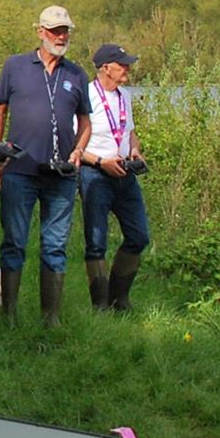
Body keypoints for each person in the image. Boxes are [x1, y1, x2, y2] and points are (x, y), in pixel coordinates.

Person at [0, 5, 91, 328]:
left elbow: (85, 121)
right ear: (40, 32)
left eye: (65, 31)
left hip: (61, 175)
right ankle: (8, 317)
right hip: (19, 170)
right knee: (14, 241)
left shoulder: (76, 74)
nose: (61, 37)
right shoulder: (16, 66)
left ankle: (52, 319)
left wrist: (79, 150)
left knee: (56, 246)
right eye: (55, 31)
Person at [79, 44, 150, 310]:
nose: (128, 68)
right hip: (94, 173)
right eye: (123, 64)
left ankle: (120, 298)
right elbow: (73, 145)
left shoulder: (125, 96)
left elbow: (129, 131)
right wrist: (100, 162)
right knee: (96, 242)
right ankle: (100, 306)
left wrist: (135, 150)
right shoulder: (84, 96)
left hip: (125, 174)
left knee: (139, 236)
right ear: (106, 68)